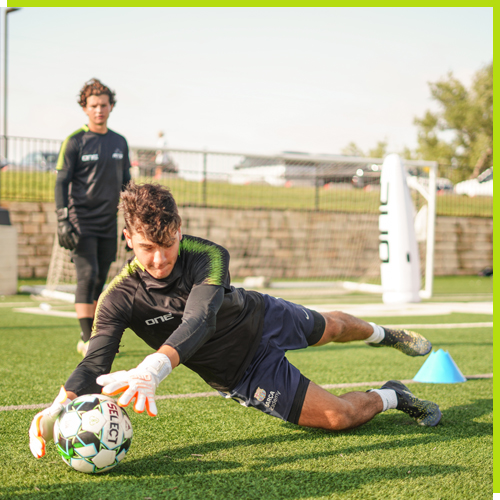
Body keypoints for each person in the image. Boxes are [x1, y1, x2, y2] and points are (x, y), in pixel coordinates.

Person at [29, 182, 441, 460]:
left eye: (168, 243)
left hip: (261, 317)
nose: (160, 259)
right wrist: (55, 409)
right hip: (242, 372)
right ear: (128, 239)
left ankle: (387, 335)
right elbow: (96, 361)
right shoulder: (118, 297)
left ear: (180, 229)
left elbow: (201, 317)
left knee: (331, 327)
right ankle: (393, 394)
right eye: (147, 248)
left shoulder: (207, 254)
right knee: (338, 419)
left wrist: (154, 367)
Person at [54, 78, 131, 357]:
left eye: (104, 104)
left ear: (111, 106)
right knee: (87, 275)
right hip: (80, 221)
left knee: (101, 280)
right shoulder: (75, 141)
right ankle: (88, 339)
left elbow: (127, 185)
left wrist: (132, 226)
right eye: (93, 105)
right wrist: (63, 219)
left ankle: (92, 333)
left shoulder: (119, 142)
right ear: (85, 108)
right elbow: (61, 182)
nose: (99, 109)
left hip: (108, 223)